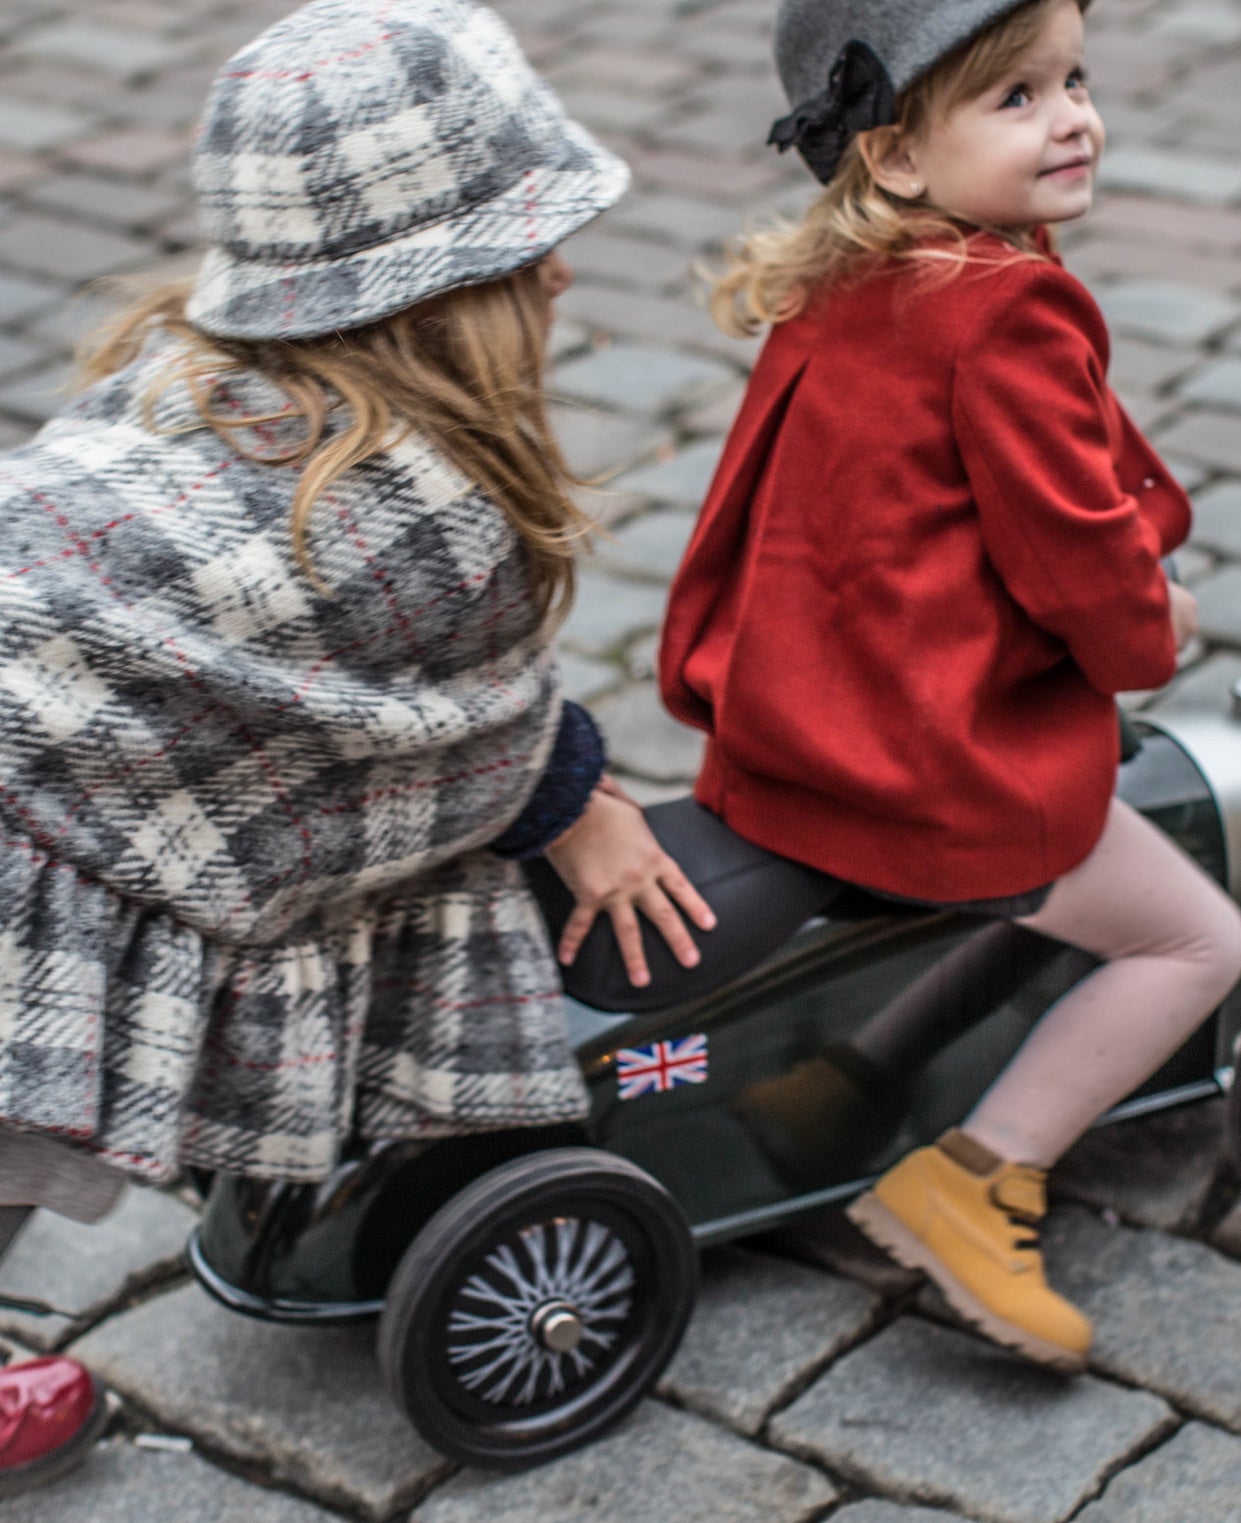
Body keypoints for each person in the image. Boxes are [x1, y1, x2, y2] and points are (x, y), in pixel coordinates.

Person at [0, 0, 710, 1494]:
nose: (567, 270)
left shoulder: (179, 386)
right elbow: (444, 740)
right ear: (445, 300)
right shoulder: (420, 522)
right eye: (527, 255)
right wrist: (563, 789)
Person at [659, 0, 1241, 1373]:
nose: (1072, 118)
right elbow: (1076, 558)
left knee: (1063, 892)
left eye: (1074, 79)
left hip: (788, 742)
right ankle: (978, 1176)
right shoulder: (1008, 313)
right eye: (1014, 98)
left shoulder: (843, 287)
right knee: (1188, 940)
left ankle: (843, 1079)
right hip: (930, 765)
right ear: (894, 157)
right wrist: (1152, 629)